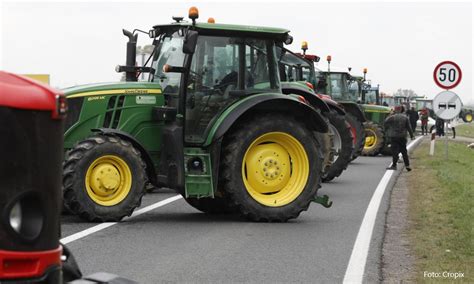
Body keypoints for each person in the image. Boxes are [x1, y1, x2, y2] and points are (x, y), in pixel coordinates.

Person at [384, 105, 415, 171]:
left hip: (394, 136)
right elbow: (409, 128)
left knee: (395, 151)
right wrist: (412, 136)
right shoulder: (405, 117)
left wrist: (390, 114)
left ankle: (394, 165)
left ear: (395, 110)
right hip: (403, 137)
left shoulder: (392, 117)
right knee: (404, 152)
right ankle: (407, 165)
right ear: (401, 110)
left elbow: (385, 121)